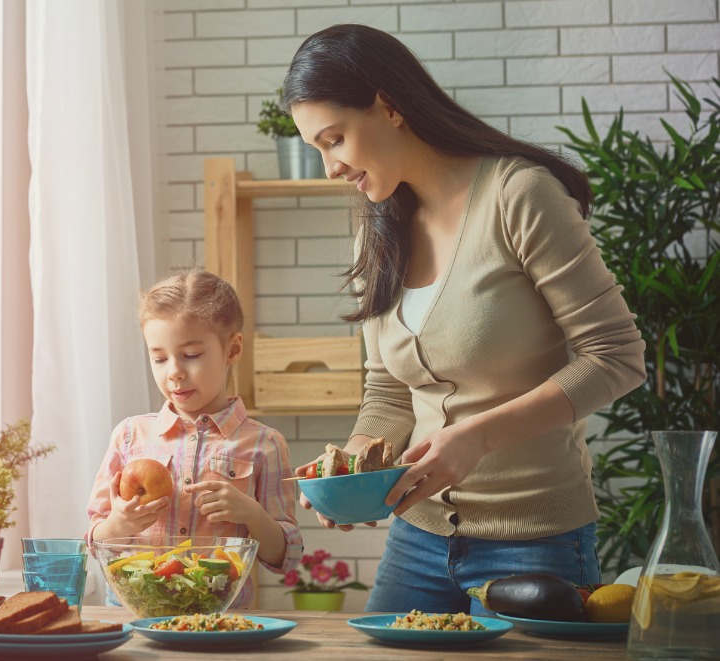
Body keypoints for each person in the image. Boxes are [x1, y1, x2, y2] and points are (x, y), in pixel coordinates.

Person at [281, 24, 647, 615]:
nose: (329, 168)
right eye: (317, 148)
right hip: (417, 539)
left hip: (535, 543)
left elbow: (616, 357)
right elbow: (389, 390)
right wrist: (349, 471)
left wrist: (475, 438)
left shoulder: (519, 195)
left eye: (335, 139)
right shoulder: (376, 231)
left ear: (389, 106)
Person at [85, 268, 303, 607]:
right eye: (159, 358)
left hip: (220, 617)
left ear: (232, 349)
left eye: (191, 355)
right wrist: (119, 523)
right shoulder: (129, 436)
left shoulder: (265, 444)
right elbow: (94, 536)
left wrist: (253, 515)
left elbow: (285, 557)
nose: (173, 371)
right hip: (134, 614)